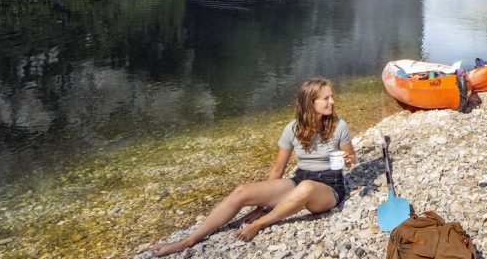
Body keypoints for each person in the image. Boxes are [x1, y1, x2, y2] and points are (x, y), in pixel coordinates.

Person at [149, 77, 357, 256]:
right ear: (310, 102)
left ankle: (260, 224)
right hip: (300, 179)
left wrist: (349, 160)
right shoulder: (292, 129)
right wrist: (261, 205)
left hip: (329, 187)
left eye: (331, 96)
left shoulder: (339, 126)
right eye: (326, 98)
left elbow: (351, 157)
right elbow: (278, 170)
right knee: (243, 191)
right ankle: (188, 240)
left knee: (307, 188)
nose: (332, 101)